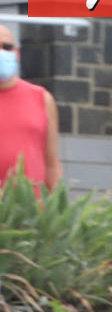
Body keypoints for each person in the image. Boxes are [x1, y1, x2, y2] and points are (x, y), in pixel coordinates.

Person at [0, 24, 61, 190]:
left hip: (34, 210)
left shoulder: (42, 98)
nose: (2, 53)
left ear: (17, 53)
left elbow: (51, 164)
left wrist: (57, 209)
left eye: (7, 47)